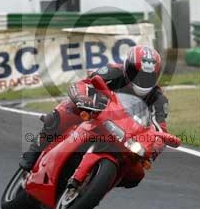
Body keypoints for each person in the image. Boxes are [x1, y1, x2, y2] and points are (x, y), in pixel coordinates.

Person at [19, 45, 169, 171]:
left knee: (137, 172)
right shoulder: (113, 71)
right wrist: (83, 99)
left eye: (148, 77)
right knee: (64, 111)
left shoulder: (158, 98)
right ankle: (33, 151)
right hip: (96, 113)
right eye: (136, 74)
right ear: (127, 68)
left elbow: (160, 130)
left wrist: (153, 151)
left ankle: (96, 182)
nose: (141, 81)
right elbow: (83, 84)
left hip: (124, 133)